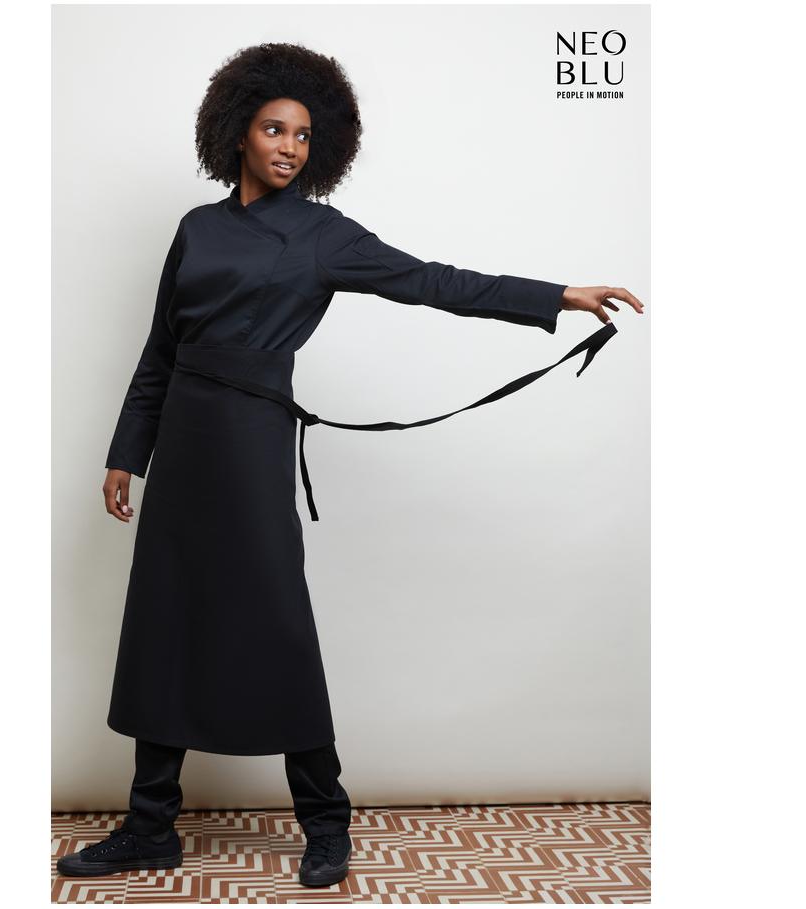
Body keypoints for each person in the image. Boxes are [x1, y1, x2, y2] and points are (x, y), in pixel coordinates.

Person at [56, 42, 644, 888]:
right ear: (238, 131)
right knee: (166, 619)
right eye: (274, 129)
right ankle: (149, 825)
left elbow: (434, 280)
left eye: (302, 135)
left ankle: (325, 821)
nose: (289, 147)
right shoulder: (196, 228)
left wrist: (554, 295)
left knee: (277, 625)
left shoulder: (322, 235)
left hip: (252, 437)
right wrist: (126, 453)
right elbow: (160, 350)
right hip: (181, 440)